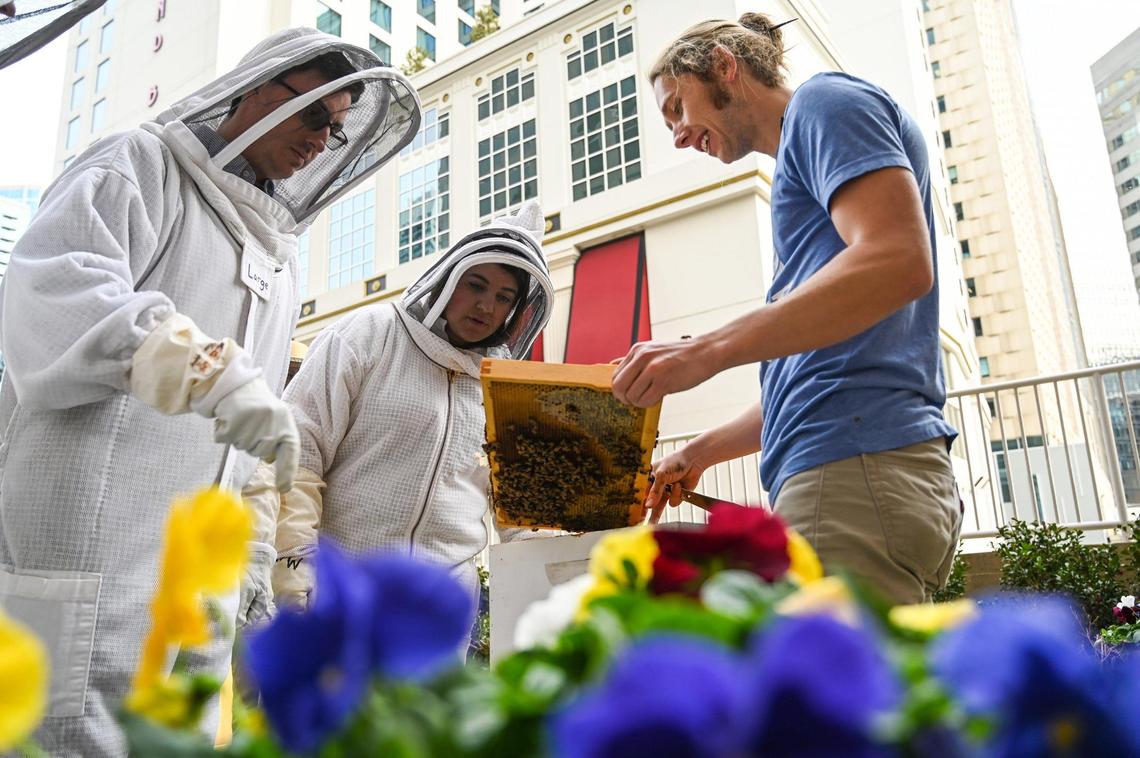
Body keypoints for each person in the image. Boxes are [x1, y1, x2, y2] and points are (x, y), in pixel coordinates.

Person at [0, 27, 420, 756]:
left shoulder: (278, 258)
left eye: (338, 127)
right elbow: (53, 291)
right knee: (58, 736)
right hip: (83, 549)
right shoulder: (140, 165)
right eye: (315, 115)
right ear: (257, 88)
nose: (323, 141)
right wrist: (203, 368)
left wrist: (256, 562)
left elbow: (245, 445)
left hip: (197, 582)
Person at [615, 13, 961, 605]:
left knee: (831, 698)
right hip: (860, 476)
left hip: (853, 476)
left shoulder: (824, 102)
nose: (675, 134)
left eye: (676, 107)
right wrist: (697, 454)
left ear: (725, 64)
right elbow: (816, 372)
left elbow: (900, 259)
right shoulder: (807, 172)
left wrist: (705, 350)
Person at [239, 201, 553, 625]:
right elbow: (299, 452)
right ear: (447, 279)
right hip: (339, 596)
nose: (485, 307)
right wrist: (297, 568)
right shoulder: (369, 335)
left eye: (503, 297)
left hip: (437, 620)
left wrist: (565, 573)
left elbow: (520, 515)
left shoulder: (503, 388)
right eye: (475, 285)